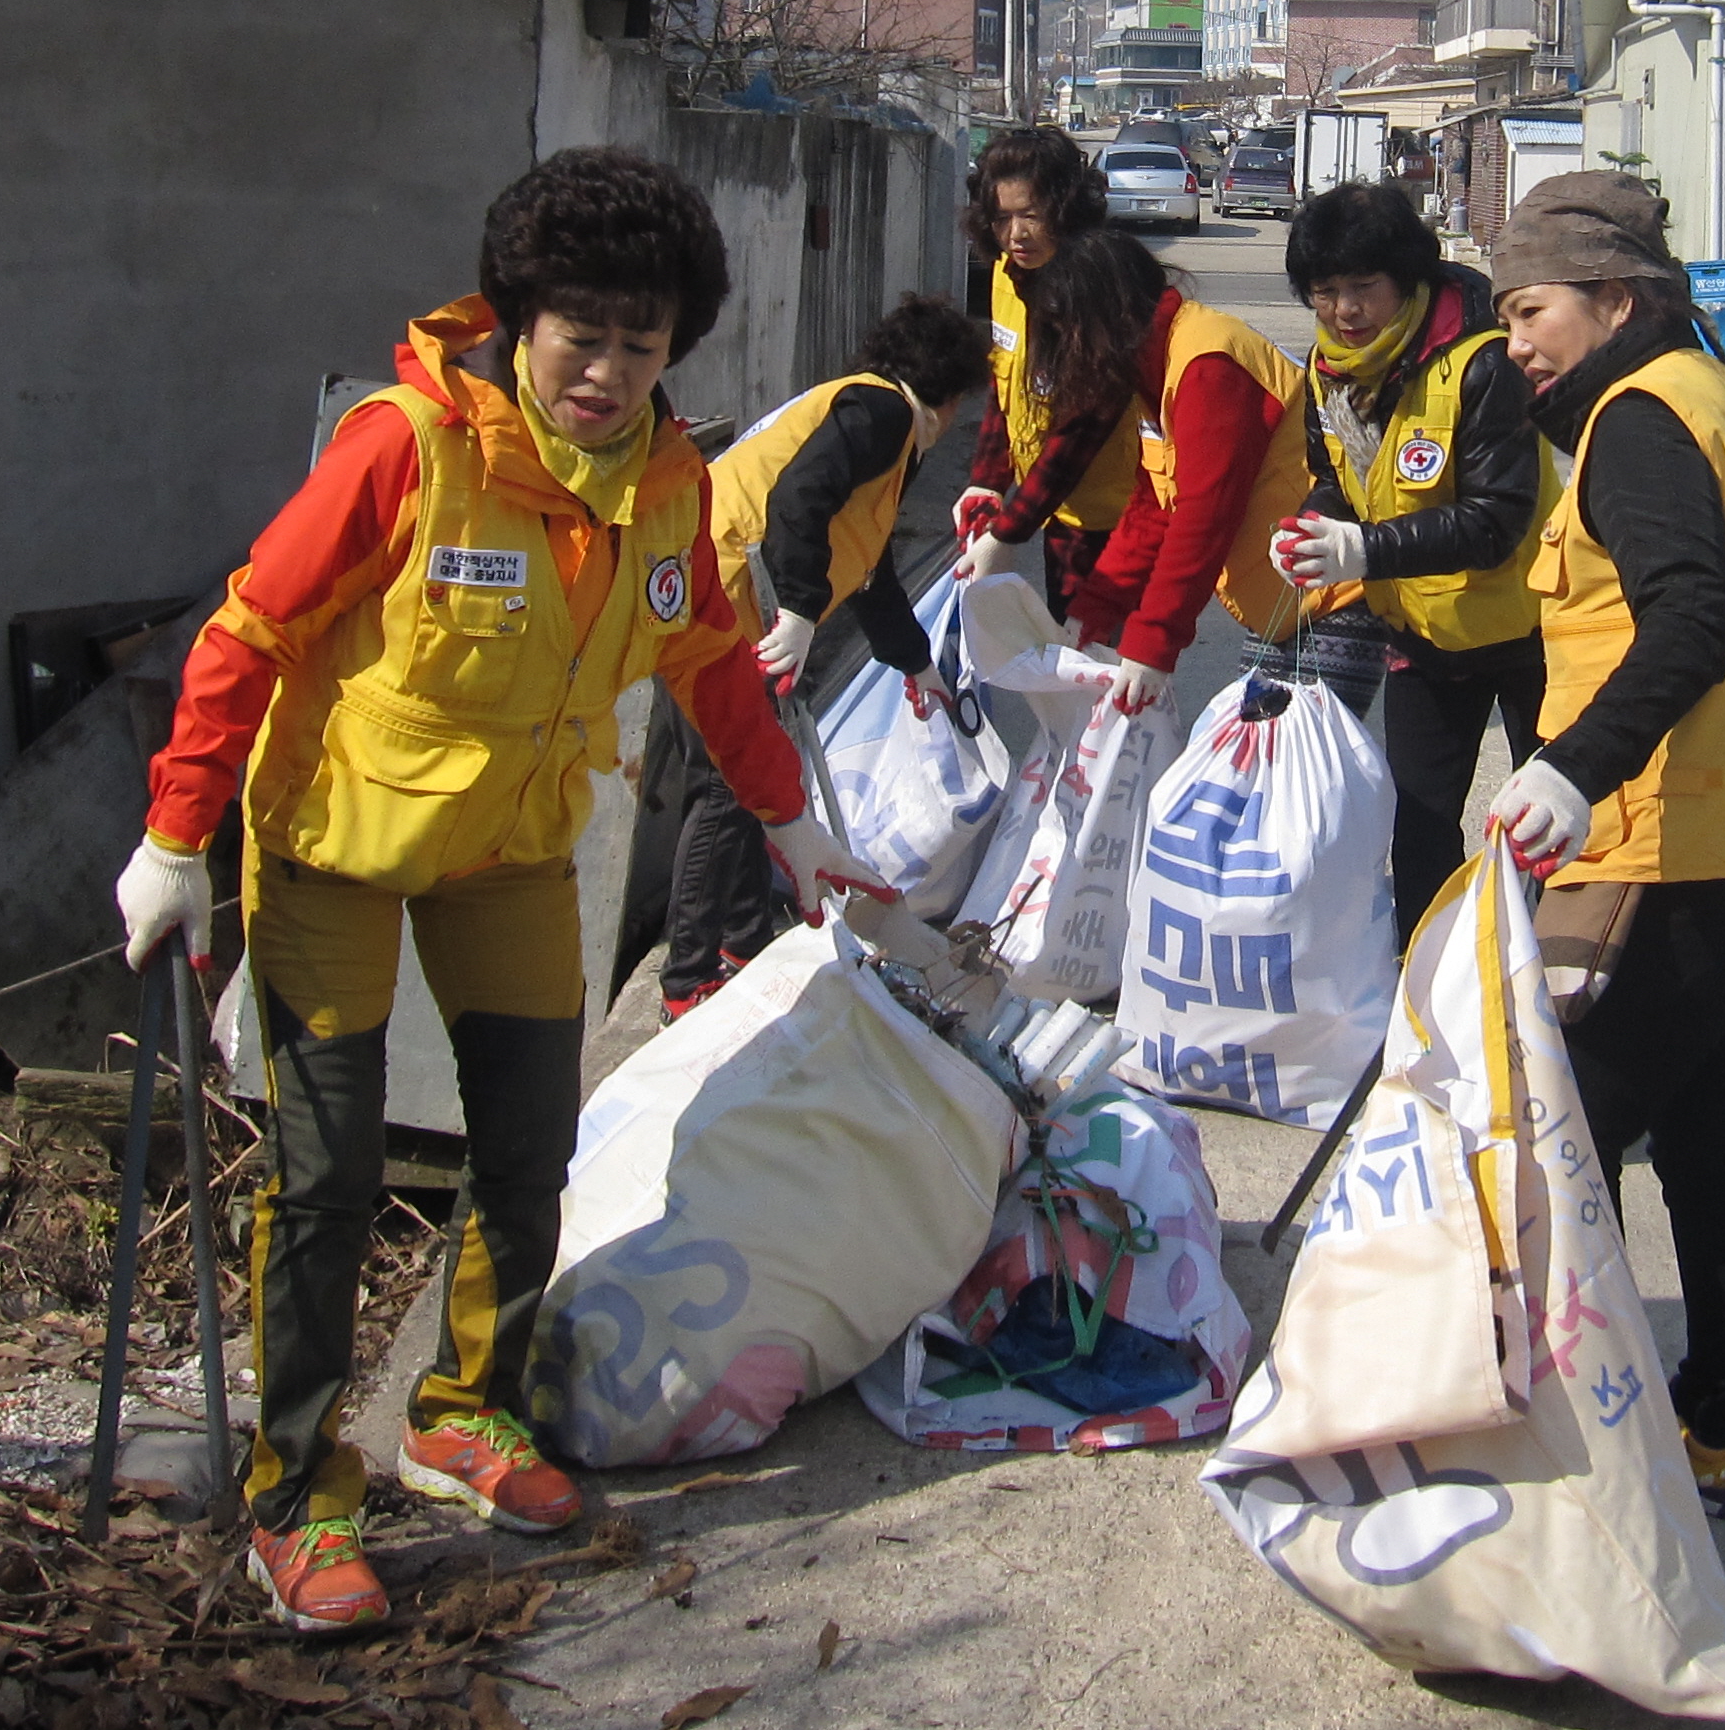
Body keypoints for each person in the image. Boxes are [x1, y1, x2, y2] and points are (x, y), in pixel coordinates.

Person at [111, 148, 890, 1633]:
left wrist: (792, 829)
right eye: (577, 334)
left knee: (528, 1144)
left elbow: (712, 664)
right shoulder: (409, 447)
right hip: (334, 850)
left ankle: (465, 1411)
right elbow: (249, 633)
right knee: (327, 1177)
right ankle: (296, 1491)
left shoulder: (666, 486)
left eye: (638, 342)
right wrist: (173, 838)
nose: (604, 370)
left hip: (514, 854)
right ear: (518, 320)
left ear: (673, 350)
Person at [1480, 171, 1725, 1523]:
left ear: (1617, 302)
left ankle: (1558, 1445)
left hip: (1694, 853)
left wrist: (1567, 770)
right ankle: (1720, 1437)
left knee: (1560, 1147)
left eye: (1530, 310)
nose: (1513, 341)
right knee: (1707, 1145)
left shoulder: (1642, 424)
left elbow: (1688, 628)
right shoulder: (1723, 411)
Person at [657, 293, 991, 1018]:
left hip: (708, 583)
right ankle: (686, 981)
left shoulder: (874, 425)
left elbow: (870, 572)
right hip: (725, 592)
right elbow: (798, 502)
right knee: (725, 787)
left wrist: (917, 665)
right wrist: (802, 610)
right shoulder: (884, 413)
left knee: (748, 783)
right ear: (950, 391)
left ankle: (742, 944)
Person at [1268, 181, 1549, 937]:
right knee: (1420, 825)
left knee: (1549, 828)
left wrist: (1361, 551)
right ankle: (1427, 987)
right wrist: (1310, 528)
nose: (1345, 311)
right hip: (1423, 638)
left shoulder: (1487, 363)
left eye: (1364, 288)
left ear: (1410, 279)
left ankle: (1550, 992)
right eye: (1325, 292)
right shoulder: (1329, 371)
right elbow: (1336, 479)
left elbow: (1496, 519)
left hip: (1534, 636)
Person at [980, 226, 1312, 711]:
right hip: (1285, 604)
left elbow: (1203, 515)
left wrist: (1152, 643)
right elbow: (1154, 504)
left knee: (1296, 774)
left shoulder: (1206, 364)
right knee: (1259, 767)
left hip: (1331, 597)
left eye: (1069, 336)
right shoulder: (1153, 369)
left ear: (1104, 320)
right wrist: (1096, 609)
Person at [955, 127, 1121, 621]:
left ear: (1066, 211)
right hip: (1056, 511)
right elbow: (1004, 383)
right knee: (1069, 663)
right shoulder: (1008, 273)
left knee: (1107, 667)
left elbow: (1081, 426)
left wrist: (1010, 529)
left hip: (1114, 516)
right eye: (1002, 218)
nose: (1017, 234)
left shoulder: (1097, 290)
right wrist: (987, 481)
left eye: (1032, 215)